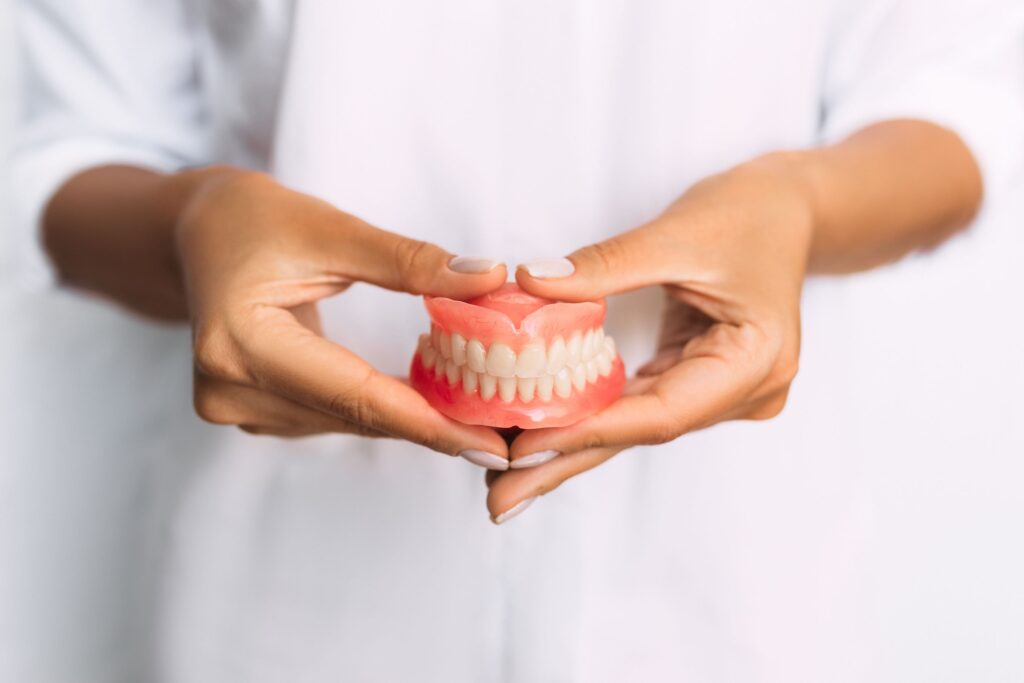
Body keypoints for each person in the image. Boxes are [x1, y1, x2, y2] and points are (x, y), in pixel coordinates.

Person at [8, 0, 1024, 680]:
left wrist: (801, 204)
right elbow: (79, 153)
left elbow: (946, 106)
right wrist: (195, 228)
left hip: (737, 589)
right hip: (282, 602)